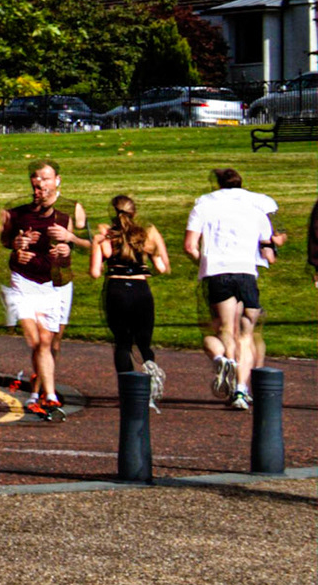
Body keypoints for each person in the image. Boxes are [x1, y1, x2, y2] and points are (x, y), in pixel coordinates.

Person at [184, 165, 283, 412]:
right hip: (246, 272)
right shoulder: (256, 207)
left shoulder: (204, 205)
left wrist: (203, 260)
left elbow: (190, 245)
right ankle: (241, 389)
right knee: (246, 335)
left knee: (226, 330)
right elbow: (268, 247)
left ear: (218, 184)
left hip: (218, 272)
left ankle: (225, 361)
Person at [0, 160, 85, 419]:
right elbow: (5, 241)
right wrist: (15, 243)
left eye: (45, 178)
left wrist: (72, 243)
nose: (40, 182)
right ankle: (45, 394)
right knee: (40, 342)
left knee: (53, 343)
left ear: (57, 180)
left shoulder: (72, 209)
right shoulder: (18, 213)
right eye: (36, 178)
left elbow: (90, 243)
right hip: (27, 282)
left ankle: (40, 390)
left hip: (58, 283)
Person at [95, 194, 170, 396]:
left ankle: (128, 392)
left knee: (122, 343)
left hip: (116, 290)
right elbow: (163, 267)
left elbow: (95, 271)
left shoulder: (105, 233)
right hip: (141, 291)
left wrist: (97, 246)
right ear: (134, 212)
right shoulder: (146, 234)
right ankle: (151, 382)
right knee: (144, 343)